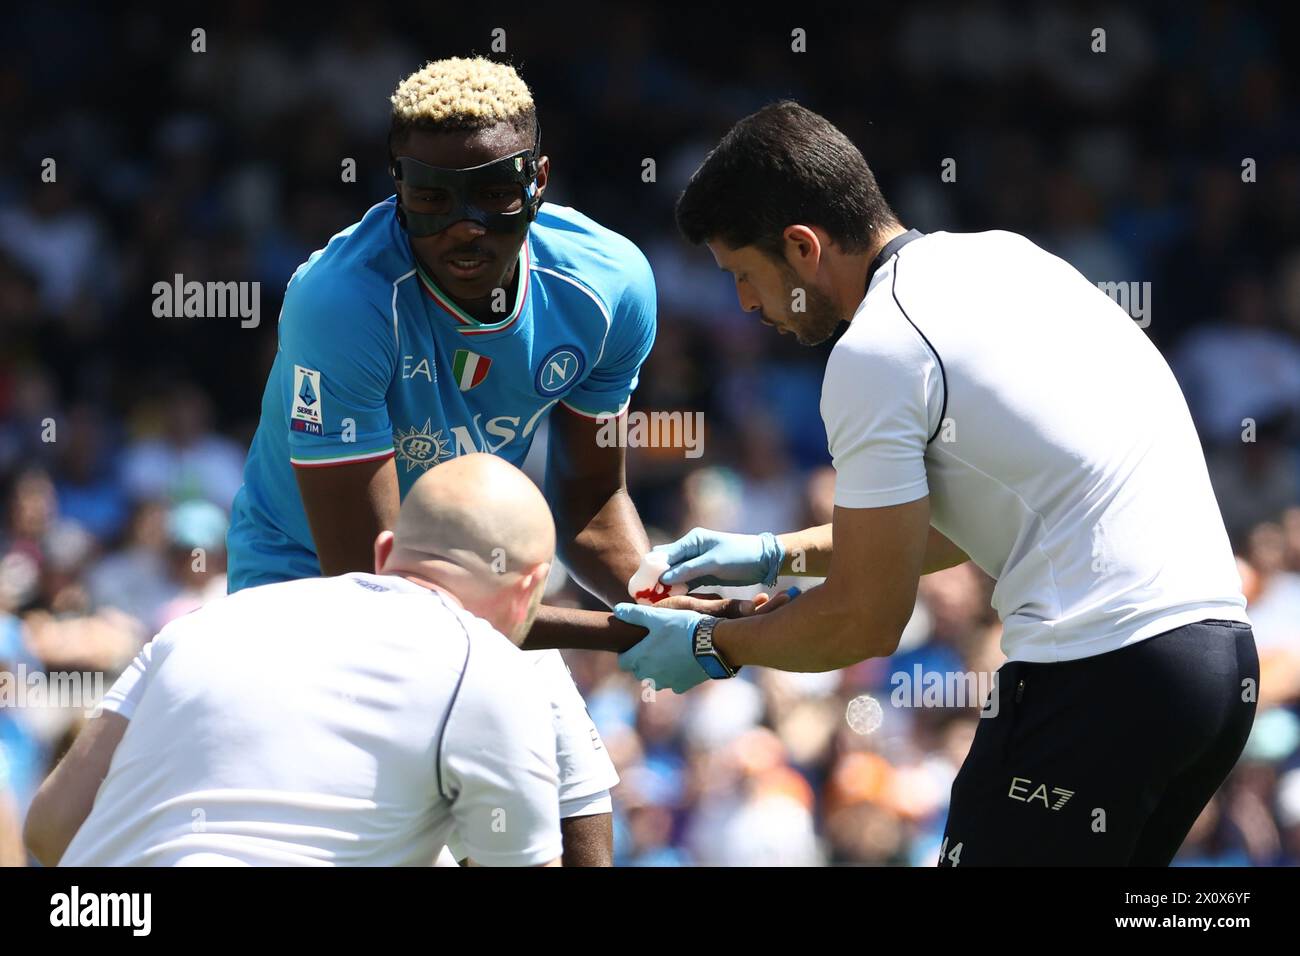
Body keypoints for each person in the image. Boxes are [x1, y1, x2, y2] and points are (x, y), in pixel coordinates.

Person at [615, 101, 1259, 866]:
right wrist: (770, 553)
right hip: (1213, 670)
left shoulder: (877, 350)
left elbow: (864, 622)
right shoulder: (1009, 259)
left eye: (744, 276)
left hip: (1102, 672)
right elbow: (967, 518)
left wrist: (712, 643)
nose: (747, 306)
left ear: (801, 245)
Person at [224, 56, 672, 864]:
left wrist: (666, 605)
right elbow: (379, 593)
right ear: (396, 185)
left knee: (580, 827)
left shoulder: (611, 288)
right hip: (309, 590)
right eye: (431, 199)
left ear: (538, 180)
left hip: (480, 587)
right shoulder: (340, 303)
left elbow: (593, 506)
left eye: (494, 194)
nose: (464, 226)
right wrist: (623, 634)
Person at [24, 454, 562, 867]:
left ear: (384, 554)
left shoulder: (197, 625)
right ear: (530, 588)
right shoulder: (491, 667)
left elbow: (49, 828)